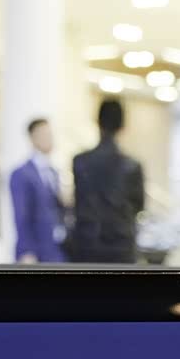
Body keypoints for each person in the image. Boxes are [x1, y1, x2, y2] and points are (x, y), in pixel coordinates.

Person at [71, 98, 144, 264]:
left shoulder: (79, 162)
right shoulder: (132, 166)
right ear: (122, 126)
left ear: (97, 122)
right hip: (121, 248)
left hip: (86, 247)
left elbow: (78, 203)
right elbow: (139, 206)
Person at [7, 118, 66, 263]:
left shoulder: (54, 172)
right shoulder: (21, 174)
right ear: (33, 138)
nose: (49, 138)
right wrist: (26, 251)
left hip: (56, 252)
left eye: (50, 134)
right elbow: (21, 216)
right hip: (35, 253)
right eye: (44, 134)